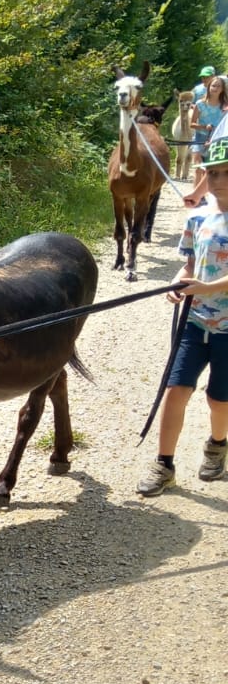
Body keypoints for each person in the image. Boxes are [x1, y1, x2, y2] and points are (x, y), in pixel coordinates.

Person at [138, 114, 228, 496]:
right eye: (213, 172)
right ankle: (164, 465)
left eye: (225, 173)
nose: (218, 180)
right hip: (194, 321)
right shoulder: (198, 218)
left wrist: (206, 287)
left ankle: (217, 445)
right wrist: (179, 283)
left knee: (218, 399)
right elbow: (189, 265)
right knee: (176, 390)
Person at [185, 75, 228, 206]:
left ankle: (208, 196)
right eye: (213, 86)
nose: (215, 88)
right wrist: (204, 127)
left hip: (216, 140)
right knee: (199, 167)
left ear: (222, 89)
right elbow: (192, 124)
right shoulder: (200, 104)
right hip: (200, 138)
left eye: (218, 86)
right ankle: (199, 196)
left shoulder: (224, 107)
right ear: (209, 87)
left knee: (210, 168)